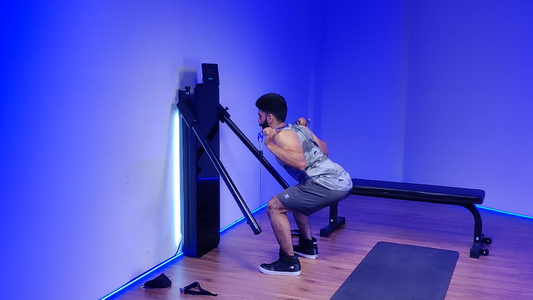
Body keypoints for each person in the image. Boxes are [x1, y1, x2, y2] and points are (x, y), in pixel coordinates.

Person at [256, 93, 353, 276]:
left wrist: (269, 144)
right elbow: (324, 149)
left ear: (270, 118)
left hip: (326, 184)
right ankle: (308, 246)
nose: (257, 119)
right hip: (342, 180)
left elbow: (299, 162)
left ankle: (289, 263)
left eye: (260, 116)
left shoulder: (281, 136)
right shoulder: (300, 130)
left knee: (274, 207)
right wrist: (307, 131)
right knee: (294, 198)